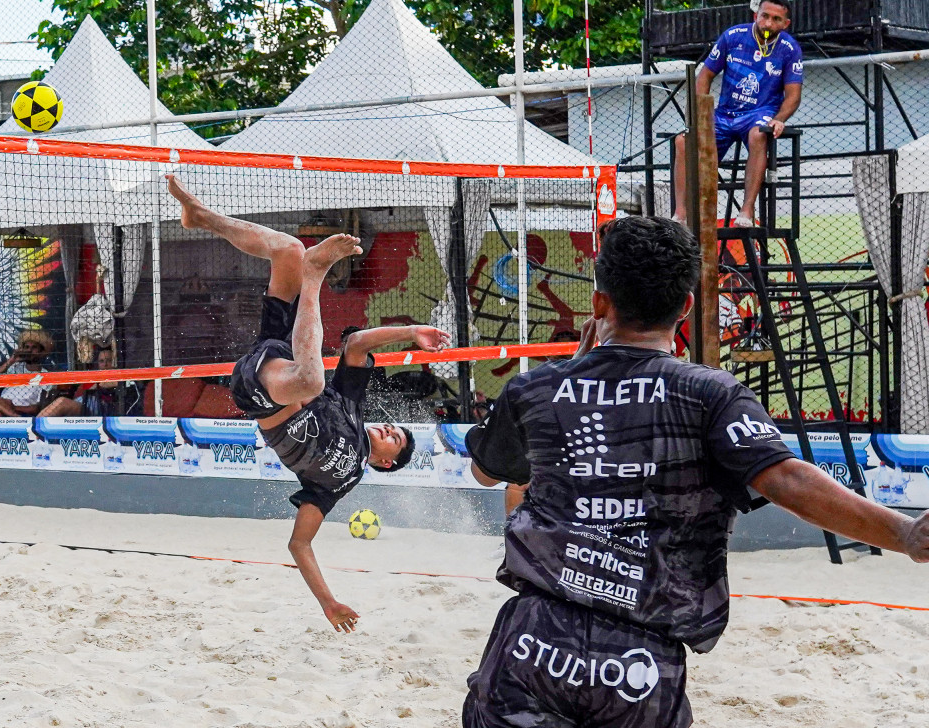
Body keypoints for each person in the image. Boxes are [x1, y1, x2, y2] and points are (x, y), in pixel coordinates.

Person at [461, 216, 929, 727]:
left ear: (598, 304)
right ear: (685, 307)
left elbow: (486, 472)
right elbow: (787, 480)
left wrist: (574, 368)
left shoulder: (536, 389)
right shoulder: (712, 395)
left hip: (531, 644)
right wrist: (904, 533)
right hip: (638, 665)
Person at [168, 174, 447, 633]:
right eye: (394, 427)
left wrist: (328, 603)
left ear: (385, 463)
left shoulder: (340, 482)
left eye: (395, 439)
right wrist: (412, 331)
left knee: (312, 381)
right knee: (288, 250)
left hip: (260, 393)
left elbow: (299, 545)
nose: (388, 429)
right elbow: (357, 343)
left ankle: (314, 275)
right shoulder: (353, 410)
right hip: (278, 352)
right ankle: (202, 217)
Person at [672, 0, 802, 228]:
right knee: (682, 141)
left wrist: (779, 119)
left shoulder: (790, 49)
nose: (768, 23)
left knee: (759, 135)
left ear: (786, 24)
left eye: (776, 19)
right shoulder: (733, 36)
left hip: (759, 113)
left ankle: (747, 210)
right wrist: (700, 115)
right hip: (724, 114)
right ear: (755, 16)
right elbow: (705, 76)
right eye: (765, 16)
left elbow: (793, 95)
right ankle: (680, 214)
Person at [0, 330, 83, 417]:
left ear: (41, 352)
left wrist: (14, 407)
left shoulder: (45, 376)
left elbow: (37, 408)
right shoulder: (15, 367)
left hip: (20, 413)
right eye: (27, 347)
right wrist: (11, 360)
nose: (29, 350)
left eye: (34, 348)